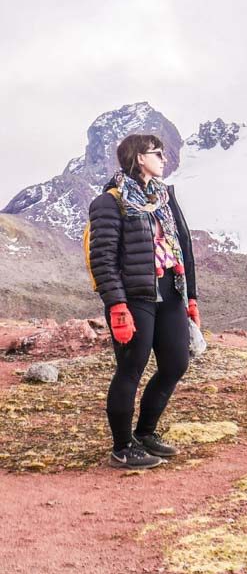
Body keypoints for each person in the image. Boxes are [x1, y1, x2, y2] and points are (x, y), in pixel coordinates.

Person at [84, 134, 200, 469]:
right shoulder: (110, 202)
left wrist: (190, 296)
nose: (164, 158)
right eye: (157, 153)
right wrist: (117, 305)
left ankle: (145, 433)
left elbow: (184, 249)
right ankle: (122, 447)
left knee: (176, 363)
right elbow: (102, 258)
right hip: (134, 297)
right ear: (139, 158)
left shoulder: (164, 198)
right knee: (131, 367)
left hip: (170, 291)